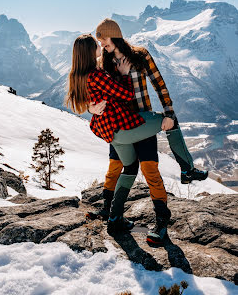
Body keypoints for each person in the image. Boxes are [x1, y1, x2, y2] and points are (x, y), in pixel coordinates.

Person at [66, 33, 206, 245]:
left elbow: (158, 84)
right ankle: (187, 170)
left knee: (132, 169)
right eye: (98, 43)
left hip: (111, 129)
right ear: (89, 52)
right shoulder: (99, 69)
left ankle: (116, 218)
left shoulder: (82, 73)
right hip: (126, 124)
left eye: (103, 41)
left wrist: (90, 106)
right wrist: (123, 75)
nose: (101, 45)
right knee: (170, 122)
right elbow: (124, 93)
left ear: (115, 38)